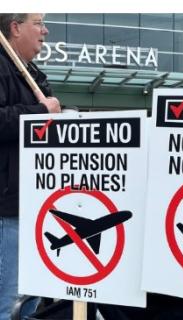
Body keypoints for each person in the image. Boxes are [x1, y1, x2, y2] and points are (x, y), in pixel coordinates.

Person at [0, 13, 61, 320]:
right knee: (8, 300)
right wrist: (40, 111)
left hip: (32, 206)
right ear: (15, 27)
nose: (45, 30)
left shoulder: (30, 73)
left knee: (29, 302)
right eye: (38, 22)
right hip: (7, 210)